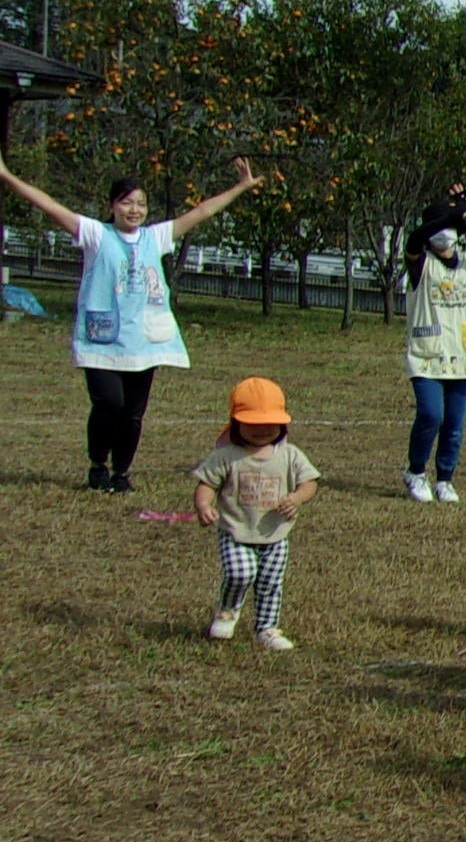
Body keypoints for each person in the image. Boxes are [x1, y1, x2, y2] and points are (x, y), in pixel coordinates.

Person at [0, 152, 261, 491]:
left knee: (133, 414)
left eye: (140, 204)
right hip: (102, 339)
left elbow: (201, 212)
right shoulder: (95, 234)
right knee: (109, 403)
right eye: (126, 203)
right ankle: (98, 464)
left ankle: (121, 473)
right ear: (112, 206)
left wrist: (240, 187)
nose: (134, 210)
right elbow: (49, 206)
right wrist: (6, 176)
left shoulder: (155, 237)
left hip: (144, 341)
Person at [191, 376, 320, 653]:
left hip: (276, 534)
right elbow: (207, 484)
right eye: (253, 424)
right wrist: (204, 506)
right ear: (236, 423)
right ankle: (228, 611)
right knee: (240, 573)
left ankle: (267, 628)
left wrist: (297, 498)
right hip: (236, 531)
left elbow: (310, 483)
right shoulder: (227, 456)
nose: (262, 430)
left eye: (269, 423)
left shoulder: (290, 455)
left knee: (270, 583)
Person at [402, 186, 466, 503]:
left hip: (463, 356)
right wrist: (452, 214)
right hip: (427, 356)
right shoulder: (421, 263)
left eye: (450, 226)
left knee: (454, 424)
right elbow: (415, 239)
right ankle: (416, 472)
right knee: (431, 415)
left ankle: (445, 479)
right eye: (440, 225)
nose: (444, 232)